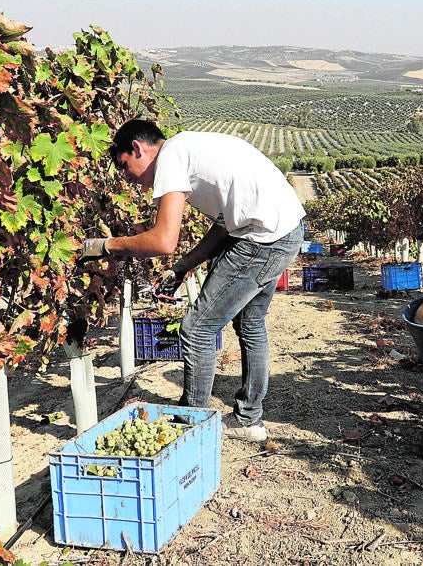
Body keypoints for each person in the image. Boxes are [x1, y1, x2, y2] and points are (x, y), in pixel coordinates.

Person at [78, 119, 305, 441]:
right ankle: (248, 421)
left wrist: (106, 245)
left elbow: (162, 241)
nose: (132, 182)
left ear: (138, 148)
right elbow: (226, 223)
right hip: (284, 229)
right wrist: (184, 266)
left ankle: (192, 425)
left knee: (196, 329)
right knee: (250, 324)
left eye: (127, 168)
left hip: (263, 239)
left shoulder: (171, 156)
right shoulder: (193, 149)